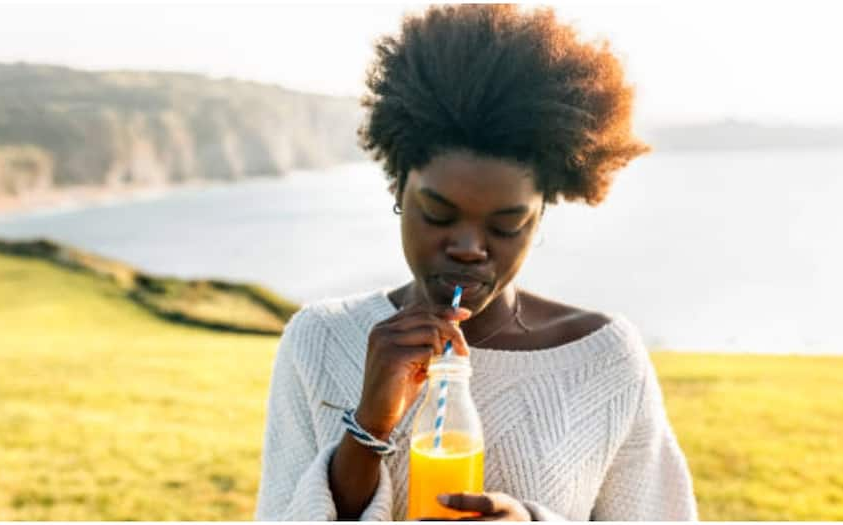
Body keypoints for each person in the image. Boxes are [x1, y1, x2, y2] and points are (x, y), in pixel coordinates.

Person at [254, 4, 697, 521]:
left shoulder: (605, 360)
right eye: (439, 214)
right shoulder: (320, 340)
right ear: (399, 188)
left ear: (540, 215)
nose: (469, 247)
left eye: (506, 224)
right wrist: (370, 425)